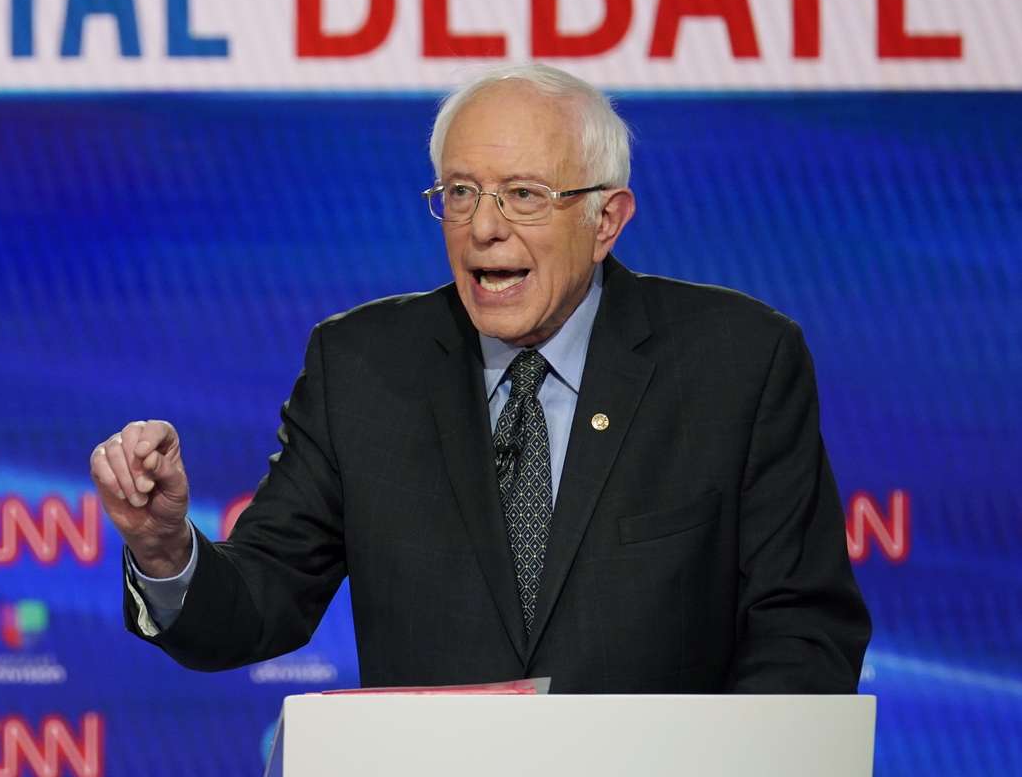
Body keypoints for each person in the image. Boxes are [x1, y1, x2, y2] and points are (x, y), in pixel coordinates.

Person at [89, 64, 871, 694]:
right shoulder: (362, 366)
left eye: (524, 195)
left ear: (606, 219)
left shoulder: (735, 362)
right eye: (460, 193)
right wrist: (164, 550)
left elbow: (801, 630)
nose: (483, 226)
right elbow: (260, 604)